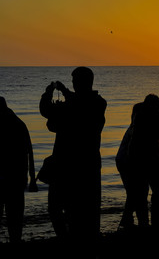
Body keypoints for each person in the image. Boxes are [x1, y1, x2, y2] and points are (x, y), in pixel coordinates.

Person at [39, 67, 107, 248]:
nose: (73, 84)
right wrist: (64, 92)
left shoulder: (74, 105)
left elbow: (46, 110)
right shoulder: (99, 103)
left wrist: (48, 92)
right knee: (85, 210)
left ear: (78, 82)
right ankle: (82, 241)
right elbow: (80, 102)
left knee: (56, 206)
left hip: (66, 166)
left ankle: (67, 240)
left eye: (74, 81)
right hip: (89, 165)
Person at [127, 94, 159, 229]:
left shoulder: (138, 113)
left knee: (141, 195)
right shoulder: (158, 116)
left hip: (137, 160)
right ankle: (156, 223)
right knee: (158, 193)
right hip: (152, 160)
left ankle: (143, 223)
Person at [0, 97, 37, 243]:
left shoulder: (15, 124)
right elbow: (30, 152)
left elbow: (30, 152)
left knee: (13, 216)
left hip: (13, 178)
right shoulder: (19, 124)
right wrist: (32, 179)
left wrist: (33, 179)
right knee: (15, 217)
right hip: (18, 178)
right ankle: (16, 241)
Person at [115, 102, 143, 230]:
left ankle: (128, 220)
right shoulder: (135, 128)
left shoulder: (135, 126)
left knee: (132, 192)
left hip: (124, 160)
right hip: (126, 161)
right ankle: (127, 219)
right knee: (133, 192)